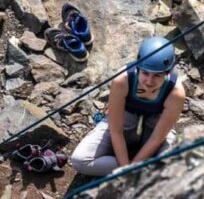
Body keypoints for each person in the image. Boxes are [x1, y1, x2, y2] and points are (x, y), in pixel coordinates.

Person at [70, 36, 186, 176]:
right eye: (145, 73)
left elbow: (157, 138)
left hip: (154, 129)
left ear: (168, 72)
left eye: (157, 76)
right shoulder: (123, 80)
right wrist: (126, 169)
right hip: (123, 124)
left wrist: (132, 167)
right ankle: (142, 170)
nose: (149, 81)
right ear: (138, 67)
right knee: (79, 160)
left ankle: (138, 166)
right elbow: (116, 130)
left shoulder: (175, 92)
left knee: (173, 165)